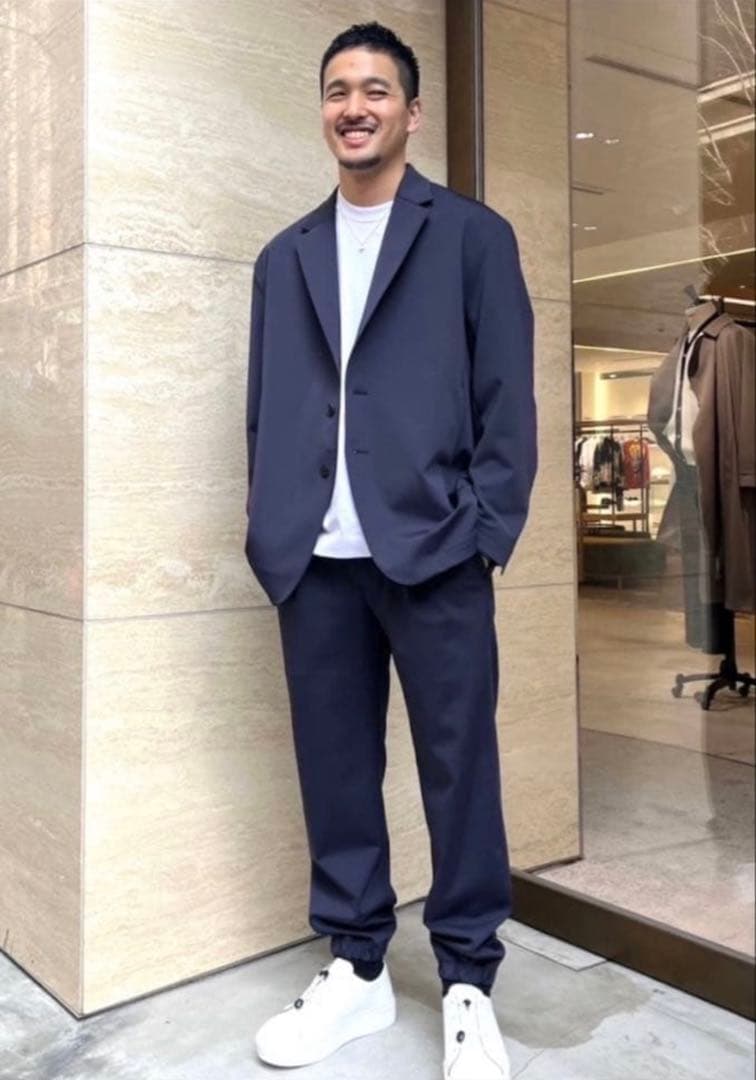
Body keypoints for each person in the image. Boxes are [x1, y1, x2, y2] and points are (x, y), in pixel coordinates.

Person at [245, 21, 537, 1080]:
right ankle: (358, 967)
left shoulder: (471, 237)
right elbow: (265, 409)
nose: (354, 106)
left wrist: (484, 531)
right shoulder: (284, 257)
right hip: (313, 564)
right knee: (335, 772)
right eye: (337, 90)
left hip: (435, 553)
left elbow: (509, 401)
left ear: (412, 112)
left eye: (375, 89)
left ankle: (467, 981)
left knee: (460, 770)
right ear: (323, 110)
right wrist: (271, 522)